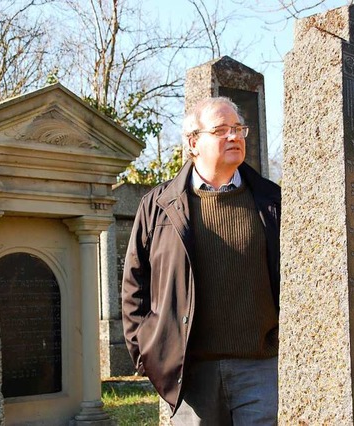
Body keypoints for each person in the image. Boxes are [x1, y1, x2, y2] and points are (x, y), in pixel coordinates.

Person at [121, 96, 280, 425]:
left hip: (262, 371)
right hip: (190, 376)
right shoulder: (159, 205)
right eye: (221, 130)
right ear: (194, 142)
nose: (234, 137)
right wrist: (148, 354)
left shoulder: (271, 200)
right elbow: (134, 287)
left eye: (238, 129)